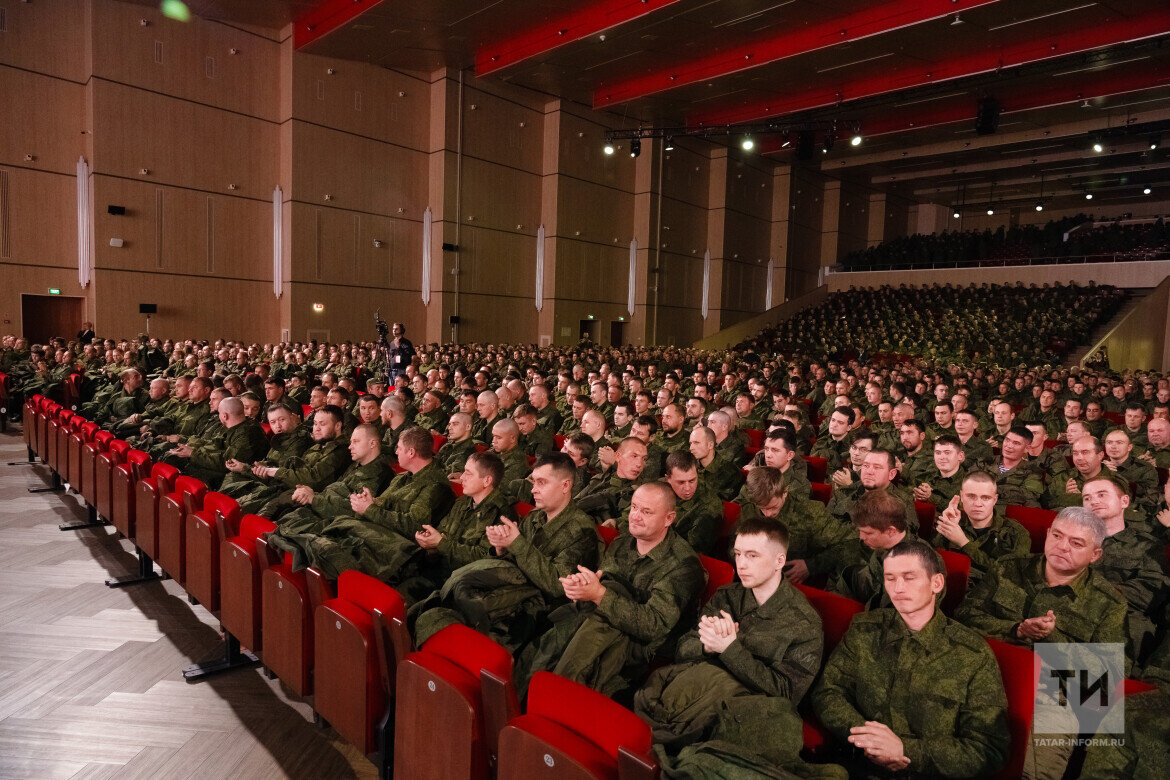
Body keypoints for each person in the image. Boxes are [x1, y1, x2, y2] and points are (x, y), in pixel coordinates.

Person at [812, 541, 1010, 779]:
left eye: (909, 577)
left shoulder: (972, 653)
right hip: (856, 765)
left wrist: (906, 751)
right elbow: (828, 692)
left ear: (936, 583)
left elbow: (988, 750)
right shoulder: (865, 630)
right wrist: (871, 740)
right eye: (890, 578)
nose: (898, 588)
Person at [635, 515, 823, 751]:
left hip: (739, 714)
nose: (741, 564)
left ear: (779, 561)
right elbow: (684, 649)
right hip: (692, 691)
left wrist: (729, 649)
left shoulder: (804, 622)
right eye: (738, 554)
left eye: (752, 555)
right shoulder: (728, 596)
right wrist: (707, 646)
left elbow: (786, 694)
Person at [520, 481, 704, 699]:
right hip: (599, 619)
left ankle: (554, 699)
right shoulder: (623, 541)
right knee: (537, 653)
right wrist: (582, 587)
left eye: (646, 511)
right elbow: (604, 580)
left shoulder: (684, 565)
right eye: (634, 507)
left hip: (640, 646)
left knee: (571, 669)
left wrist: (599, 594)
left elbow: (653, 626)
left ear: (669, 519)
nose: (635, 516)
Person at [411, 453, 600, 652]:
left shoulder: (582, 530)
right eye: (534, 482)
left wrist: (516, 543)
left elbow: (556, 586)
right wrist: (502, 549)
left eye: (542, 483)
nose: (533, 490)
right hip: (506, 594)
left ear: (565, 485)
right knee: (429, 613)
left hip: (534, 613)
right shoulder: (536, 516)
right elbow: (513, 564)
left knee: (455, 628)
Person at [262, 424, 393, 575]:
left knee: (285, 538)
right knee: (276, 528)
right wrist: (311, 493)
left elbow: (354, 510)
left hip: (340, 527)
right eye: (350, 442)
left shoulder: (380, 473)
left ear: (372, 443)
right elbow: (334, 490)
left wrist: (315, 499)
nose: (350, 447)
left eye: (356, 442)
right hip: (324, 514)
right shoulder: (357, 465)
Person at [1081, 474, 1167, 670]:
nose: (1094, 501)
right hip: (1075, 610)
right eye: (1087, 498)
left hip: (1122, 616)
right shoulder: (1074, 539)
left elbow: (1150, 590)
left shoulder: (1147, 544)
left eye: (1102, 494)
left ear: (1124, 501)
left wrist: (1093, 593)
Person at [238, 405, 351, 517]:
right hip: (287, 492)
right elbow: (295, 472)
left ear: (337, 426)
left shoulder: (340, 451)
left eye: (322, 424)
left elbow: (313, 480)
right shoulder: (319, 446)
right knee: (241, 507)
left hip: (308, 503)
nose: (316, 428)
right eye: (315, 423)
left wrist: (273, 472)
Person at [930, 471, 1030, 581]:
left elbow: (1011, 574)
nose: (978, 504)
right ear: (962, 497)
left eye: (985, 498)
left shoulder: (1016, 532)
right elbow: (932, 562)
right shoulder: (954, 523)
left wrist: (964, 543)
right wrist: (947, 526)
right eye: (971, 496)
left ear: (995, 500)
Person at [829, 489, 919, 609]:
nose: (861, 537)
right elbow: (868, 582)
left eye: (868, 533)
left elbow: (895, 617)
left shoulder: (917, 566)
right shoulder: (885, 546)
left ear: (891, 531)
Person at [220, 403, 309, 500]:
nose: (278, 426)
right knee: (232, 478)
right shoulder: (281, 438)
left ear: (292, 417)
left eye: (282, 420)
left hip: (281, 490)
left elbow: (280, 479)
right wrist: (245, 467)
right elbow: (270, 464)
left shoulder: (301, 441)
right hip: (266, 481)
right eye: (273, 422)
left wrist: (246, 469)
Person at [653, 450, 723, 556]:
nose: (687, 489)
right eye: (681, 482)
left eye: (692, 481)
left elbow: (692, 550)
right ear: (668, 479)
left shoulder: (709, 505)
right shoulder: (657, 489)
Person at [688, 424, 742, 501]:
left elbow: (721, 504)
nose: (691, 448)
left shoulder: (729, 472)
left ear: (710, 445)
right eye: (690, 443)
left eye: (696, 443)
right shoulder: (689, 467)